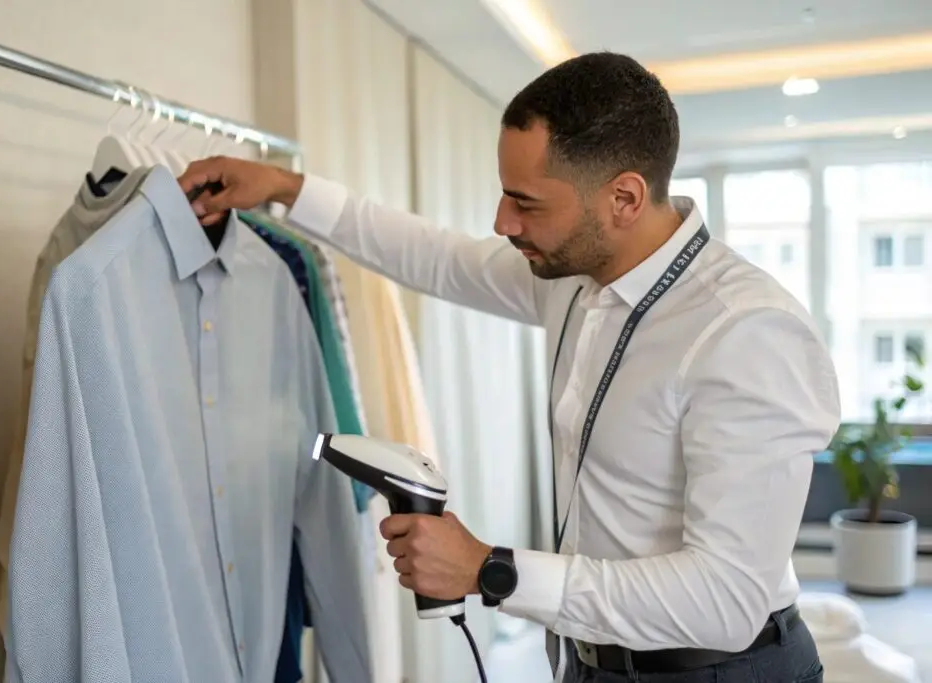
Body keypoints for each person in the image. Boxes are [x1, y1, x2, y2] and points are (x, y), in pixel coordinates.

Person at [178, 51, 839, 683]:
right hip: (591, 658)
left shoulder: (747, 332)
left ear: (625, 198)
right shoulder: (575, 278)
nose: (501, 221)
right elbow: (434, 256)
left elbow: (726, 599)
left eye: (526, 202)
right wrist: (285, 188)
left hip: (725, 669)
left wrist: (490, 568)